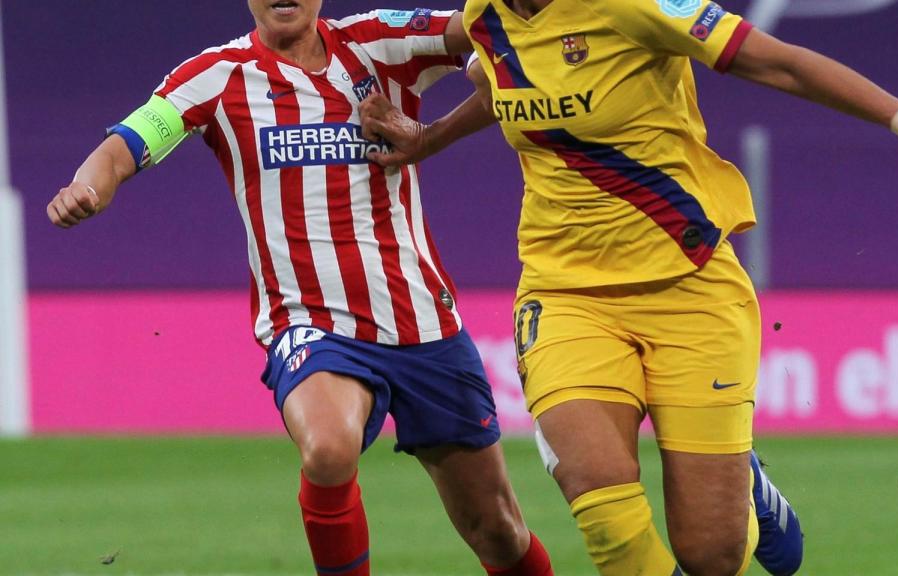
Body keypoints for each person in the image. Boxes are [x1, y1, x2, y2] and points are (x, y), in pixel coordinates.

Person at [357, 0, 898, 574]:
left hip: (691, 286)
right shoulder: (486, 18)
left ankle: (744, 487)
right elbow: (506, 83)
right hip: (564, 292)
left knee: (710, 555)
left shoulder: (631, 7)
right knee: (606, 512)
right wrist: (431, 139)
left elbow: (783, 65)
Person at [46, 2, 556, 575]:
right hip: (310, 323)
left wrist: (440, 127)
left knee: (499, 532)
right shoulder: (218, 76)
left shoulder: (380, 42)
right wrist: (86, 187)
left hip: (424, 322)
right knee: (328, 447)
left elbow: (498, 27)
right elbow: (125, 145)